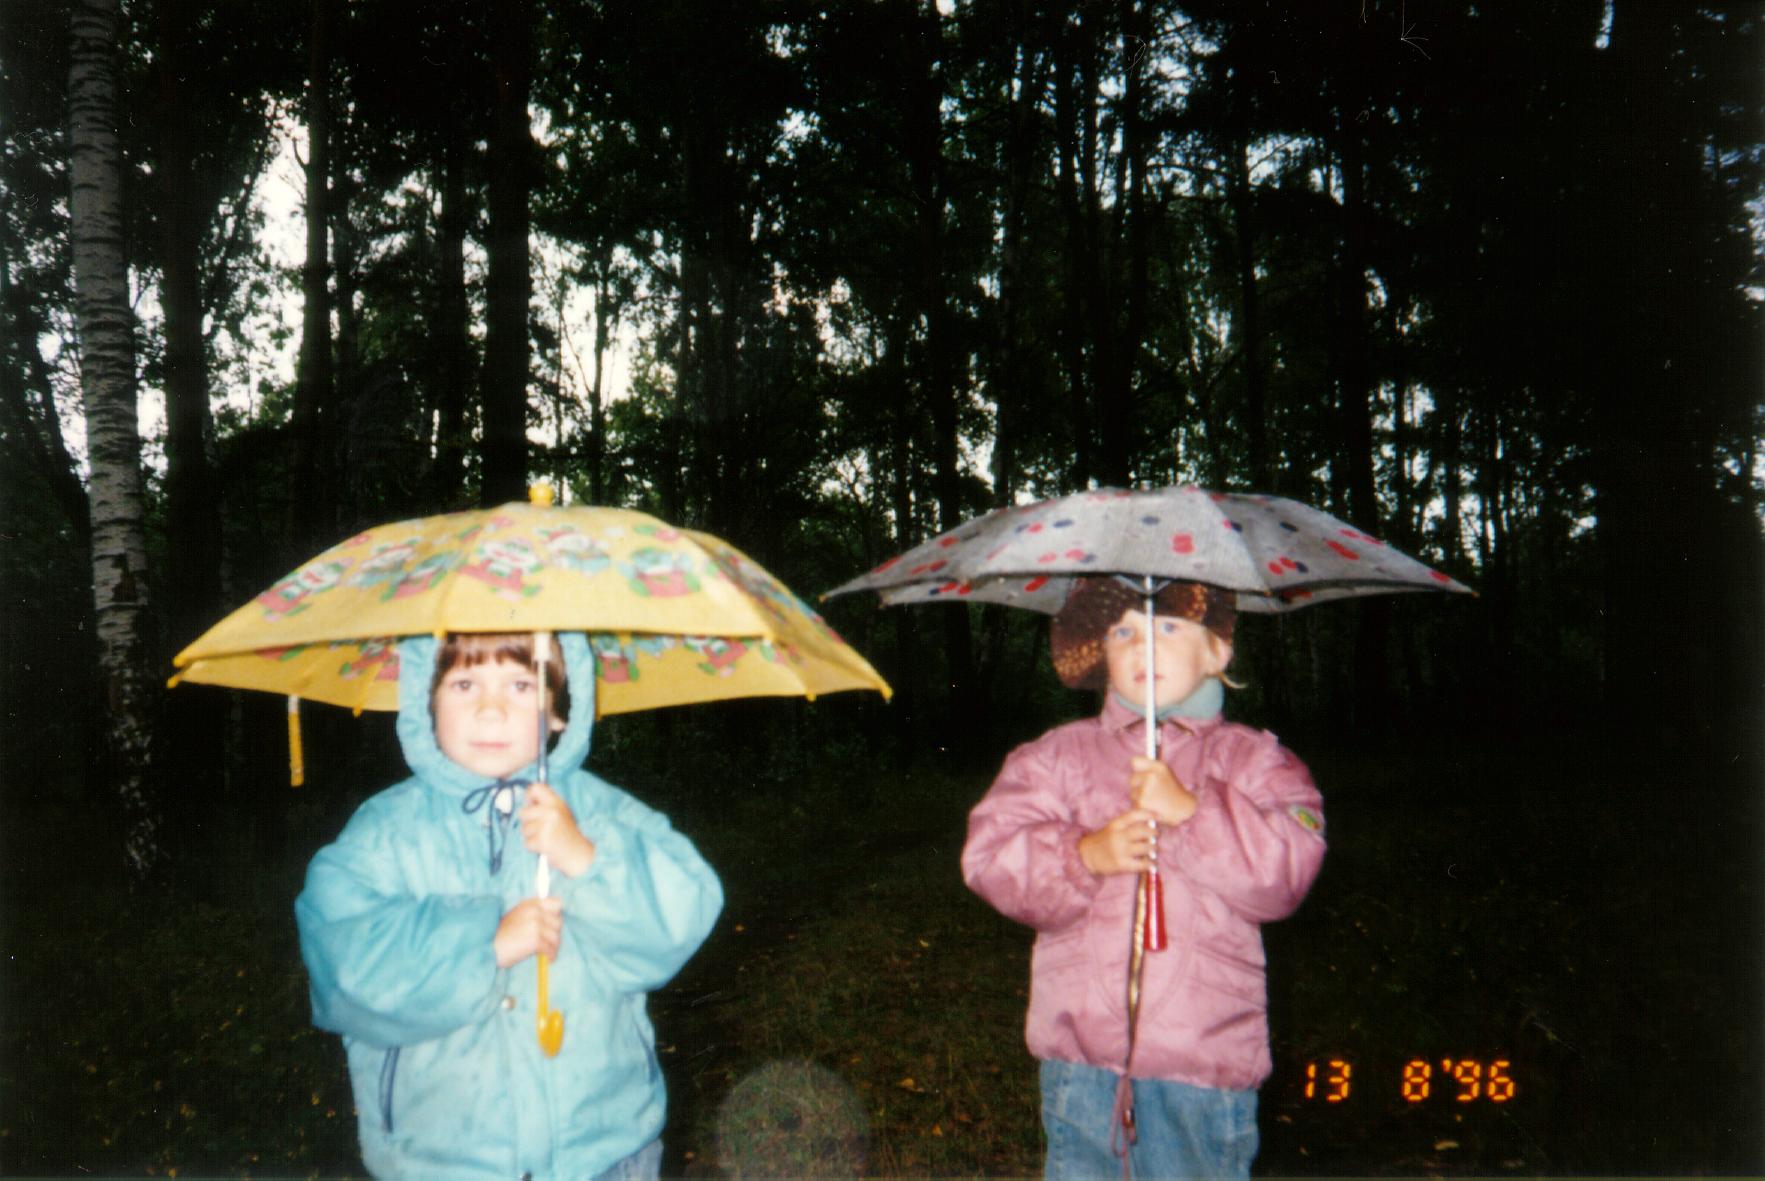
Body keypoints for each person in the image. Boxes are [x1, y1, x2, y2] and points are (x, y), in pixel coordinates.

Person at [296, 631, 723, 1181]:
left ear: (560, 711)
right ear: (425, 702)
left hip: (605, 1152)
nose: (490, 709)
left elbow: (682, 917)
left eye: (521, 685)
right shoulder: (385, 833)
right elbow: (345, 968)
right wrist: (486, 944)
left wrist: (585, 857)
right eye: (464, 684)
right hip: (442, 1161)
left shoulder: (602, 813)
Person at [962, 577, 1325, 1181]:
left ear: (1217, 650)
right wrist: (1084, 855)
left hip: (1203, 1070)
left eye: (1169, 628)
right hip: (1082, 1066)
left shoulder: (1257, 763)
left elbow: (1286, 874)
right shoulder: (1056, 759)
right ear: (1100, 652)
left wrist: (1192, 811)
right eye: (1123, 632)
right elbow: (990, 857)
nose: (1143, 646)